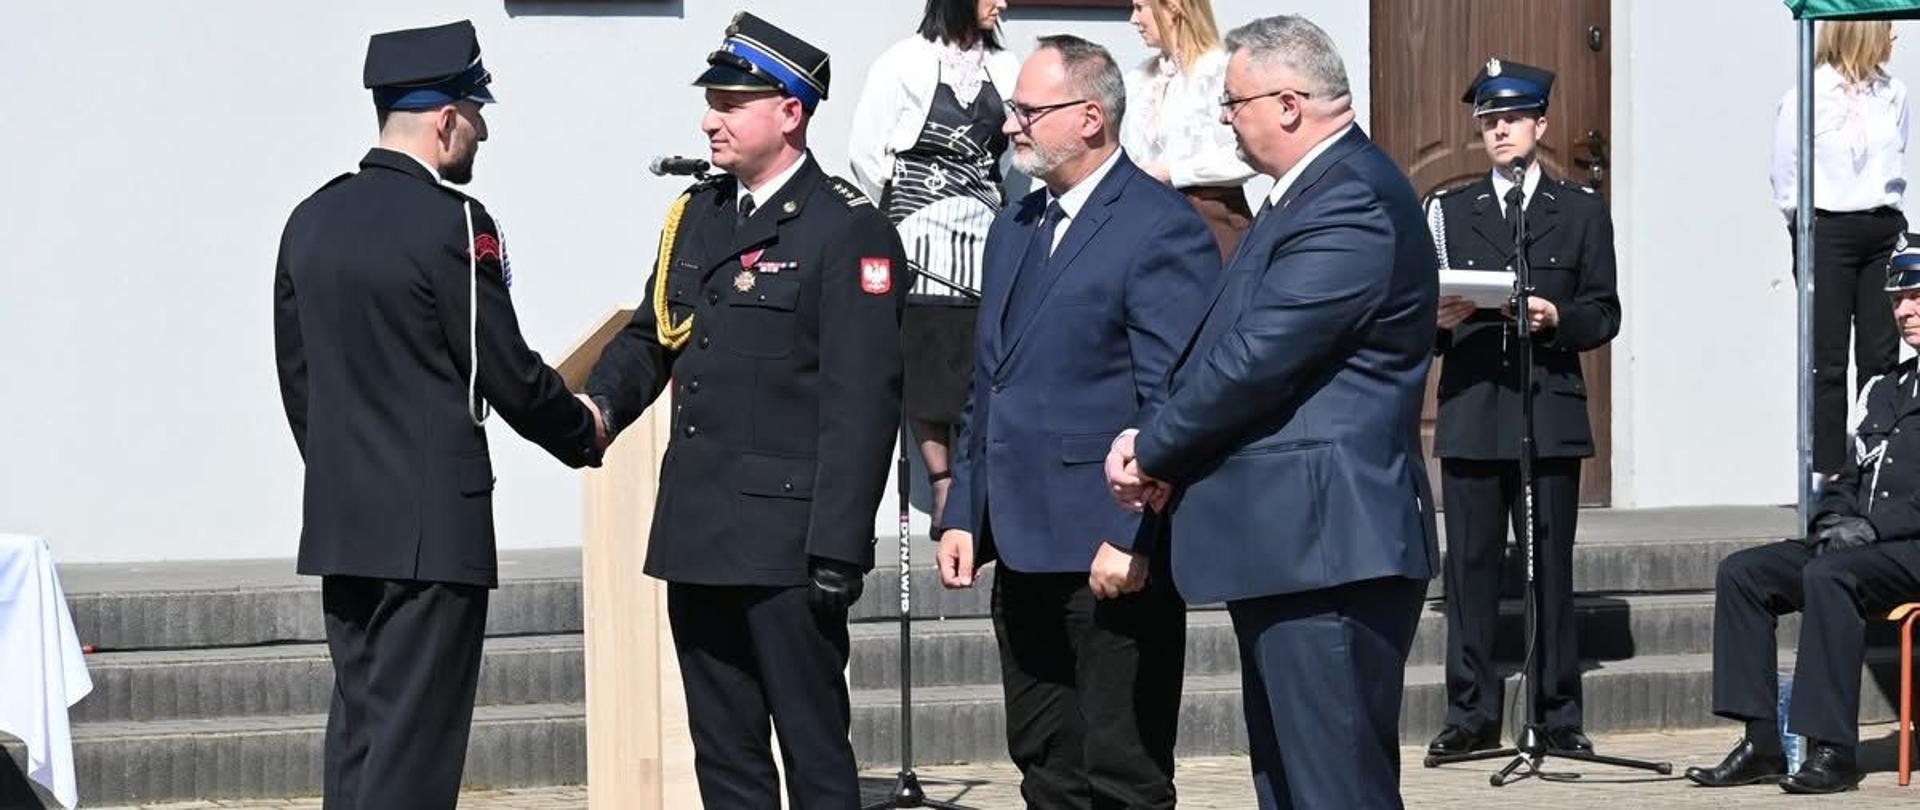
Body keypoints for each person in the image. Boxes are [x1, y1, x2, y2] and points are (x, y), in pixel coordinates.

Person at [1105, 15, 1439, 809]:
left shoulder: (1349, 198)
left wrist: (1155, 449)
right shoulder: (1303, 196)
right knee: (1291, 786)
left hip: (1328, 548)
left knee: (1335, 789)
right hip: (1293, 545)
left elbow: (1259, 358)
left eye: (1235, 100)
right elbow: (1226, 346)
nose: (1226, 116)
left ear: (1289, 104)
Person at [272, 20, 604, 809]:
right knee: (413, 760)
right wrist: (582, 427)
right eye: (477, 114)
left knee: (360, 742)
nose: (482, 131)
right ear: (447, 118)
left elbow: (299, 381)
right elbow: (505, 368)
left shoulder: (309, 220)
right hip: (432, 532)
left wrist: (344, 471)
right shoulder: (455, 222)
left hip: (345, 522)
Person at [579, 13, 906, 809]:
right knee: (724, 759)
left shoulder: (846, 227)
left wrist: (839, 547)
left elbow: (863, 402)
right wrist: (593, 410)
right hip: (698, 531)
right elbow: (653, 333)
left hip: (789, 548)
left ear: (789, 112)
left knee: (815, 754)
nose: (708, 120)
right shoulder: (699, 214)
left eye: (730, 103)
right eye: (711, 102)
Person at [934, 34, 1219, 809]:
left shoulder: (1161, 226)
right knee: (1045, 765)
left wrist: (1135, 539)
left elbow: (1174, 400)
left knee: (1121, 773)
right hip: (1020, 546)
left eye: (1028, 109)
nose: (1011, 124)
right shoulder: (1016, 225)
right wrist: (963, 511)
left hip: (1111, 552)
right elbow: (985, 384)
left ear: (1090, 117)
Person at [1423, 58, 1621, 758]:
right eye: (1487, 122)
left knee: (1549, 572)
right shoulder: (1448, 212)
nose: (1498, 131)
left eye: (1510, 119)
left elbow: (1604, 314)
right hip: (1476, 409)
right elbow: (1411, 320)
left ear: (1539, 125)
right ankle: (1470, 716)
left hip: (1549, 411)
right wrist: (1440, 319)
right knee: (1470, 572)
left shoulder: (1581, 211)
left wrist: (1553, 316)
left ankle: (1557, 715)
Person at [1685, 237, 1920, 795]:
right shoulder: (1884, 387)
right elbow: (1846, 474)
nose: (1905, 311)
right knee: (1745, 572)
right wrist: (1833, 520)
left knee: (1830, 575)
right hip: (1864, 547)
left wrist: (1874, 529)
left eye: (1916, 297)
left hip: (1908, 548)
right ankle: (1763, 743)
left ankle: (1832, 750)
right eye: (1898, 301)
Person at [850, 0, 1021, 528]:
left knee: (980, 350)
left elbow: (1015, 156)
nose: (1003, 4)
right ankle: (942, 480)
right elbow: (866, 153)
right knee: (925, 354)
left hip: (985, 226)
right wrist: (898, 215)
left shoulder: (1007, 67)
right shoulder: (902, 62)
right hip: (919, 227)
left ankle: (975, 474)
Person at [1770, 19, 1909, 477]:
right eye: (1886, 27)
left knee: (1881, 356)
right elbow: (1785, 179)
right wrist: (1808, 228)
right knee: (1827, 359)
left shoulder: (1894, 94)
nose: (1895, 37)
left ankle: (1879, 468)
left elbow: (1897, 158)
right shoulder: (1807, 96)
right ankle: (1829, 474)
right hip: (1826, 229)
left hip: (1882, 229)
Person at [1122, 0, 1258, 258]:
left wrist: (1173, 171)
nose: (1133, 19)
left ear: (1173, 7)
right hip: (1149, 222)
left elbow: (1248, 154)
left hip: (1209, 221)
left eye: (1141, 7)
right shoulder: (1142, 78)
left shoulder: (1219, 71)